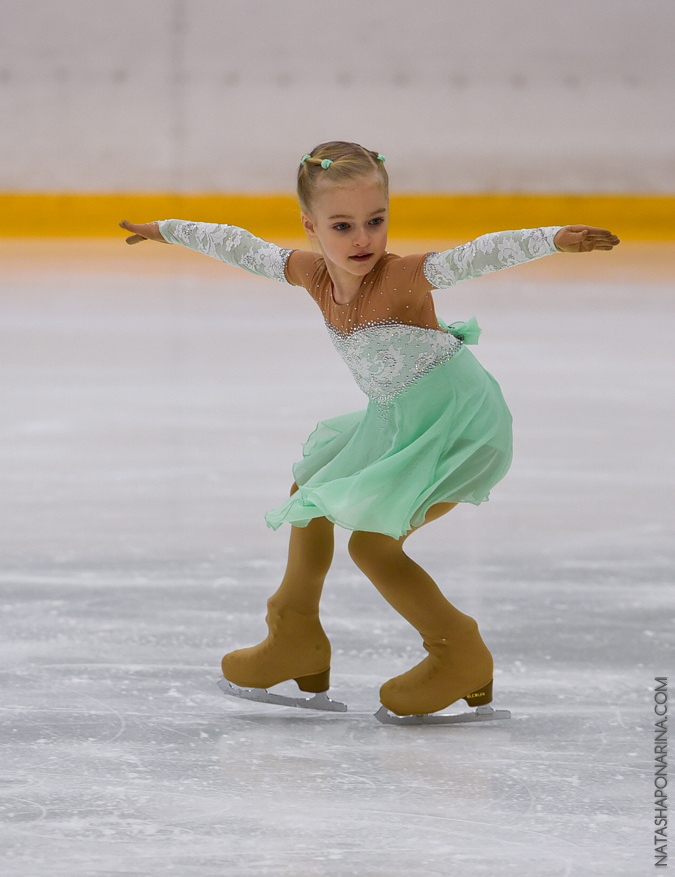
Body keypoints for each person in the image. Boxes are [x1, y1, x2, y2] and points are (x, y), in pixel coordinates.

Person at [120, 140, 619, 718]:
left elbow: (476, 256)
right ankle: (294, 639)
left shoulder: (405, 277)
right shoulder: (312, 276)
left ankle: (461, 655)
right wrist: (168, 229)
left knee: (373, 546)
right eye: (342, 225)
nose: (362, 239)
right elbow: (242, 247)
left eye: (375, 221)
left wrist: (554, 239)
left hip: (457, 427)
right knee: (307, 501)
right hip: (397, 422)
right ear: (311, 226)